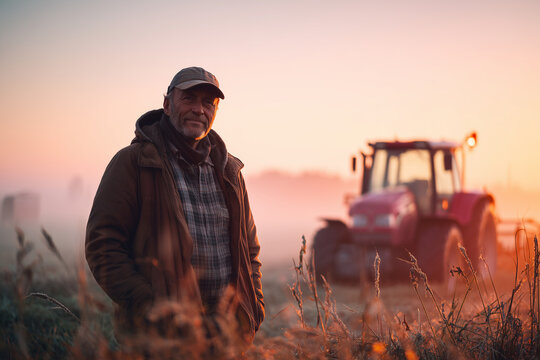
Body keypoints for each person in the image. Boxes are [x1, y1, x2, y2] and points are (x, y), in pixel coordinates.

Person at [85, 66, 264, 352]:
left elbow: (250, 250)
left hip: (226, 337)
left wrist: (252, 307)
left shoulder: (230, 171)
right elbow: (102, 246)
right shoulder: (133, 163)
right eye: (189, 98)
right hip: (160, 340)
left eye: (208, 103)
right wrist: (150, 306)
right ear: (167, 104)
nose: (199, 109)